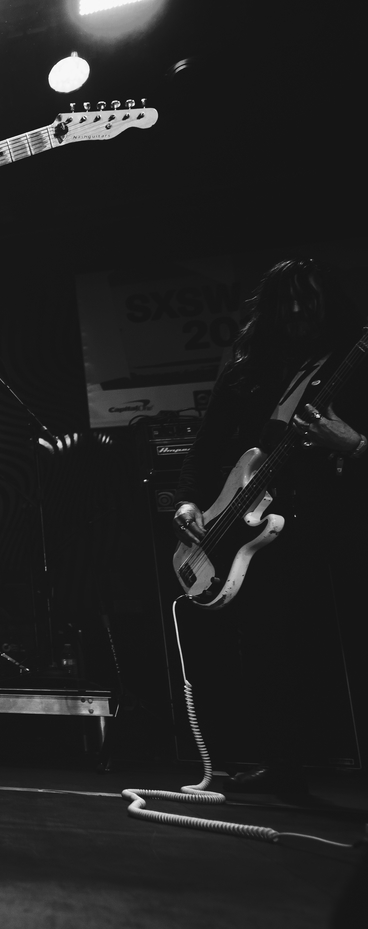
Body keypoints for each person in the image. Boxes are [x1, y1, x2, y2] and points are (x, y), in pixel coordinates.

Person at [173, 258, 368, 795]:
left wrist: (352, 445)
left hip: (341, 523)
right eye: (289, 301)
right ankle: (284, 765)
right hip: (261, 529)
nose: (301, 310)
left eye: (311, 298)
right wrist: (190, 502)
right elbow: (208, 447)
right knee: (268, 645)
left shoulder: (356, 361)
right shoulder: (247, 371)